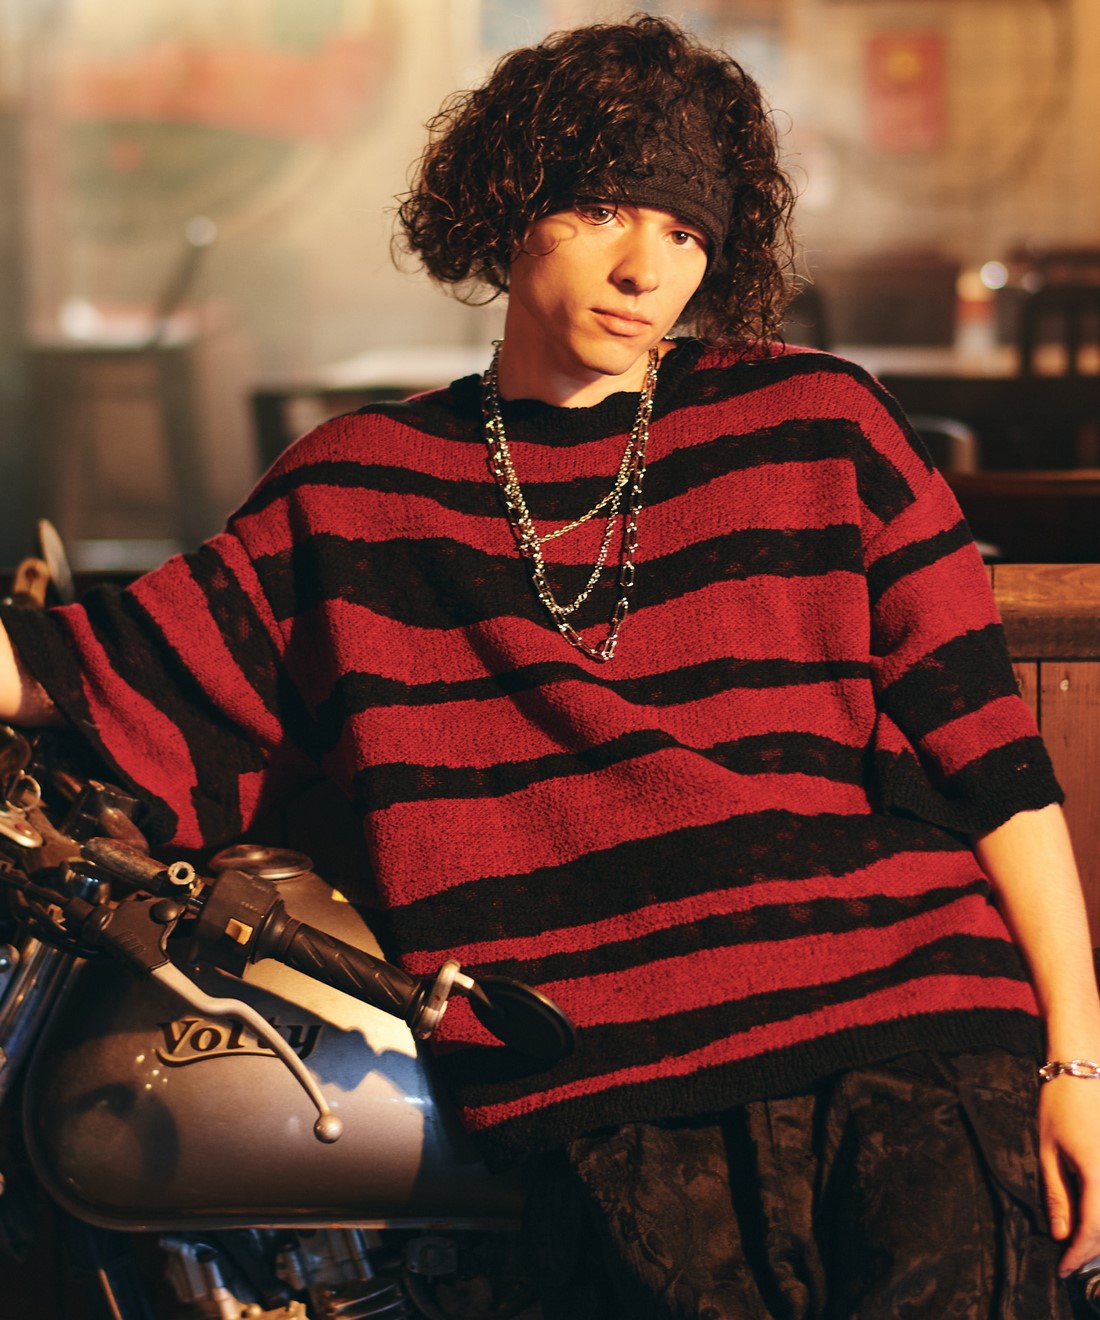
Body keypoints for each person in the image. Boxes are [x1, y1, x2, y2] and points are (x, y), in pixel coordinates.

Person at [2, 15, 1099, 1318]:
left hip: (917, 1023)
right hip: (611, 1074)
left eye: (686, 233)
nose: (646, 267)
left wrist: (1080, 1067)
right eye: (606, 209)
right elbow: (92, 669)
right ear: (510, 203)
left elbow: (995, 764)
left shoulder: (819, 423)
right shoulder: (359, 491)